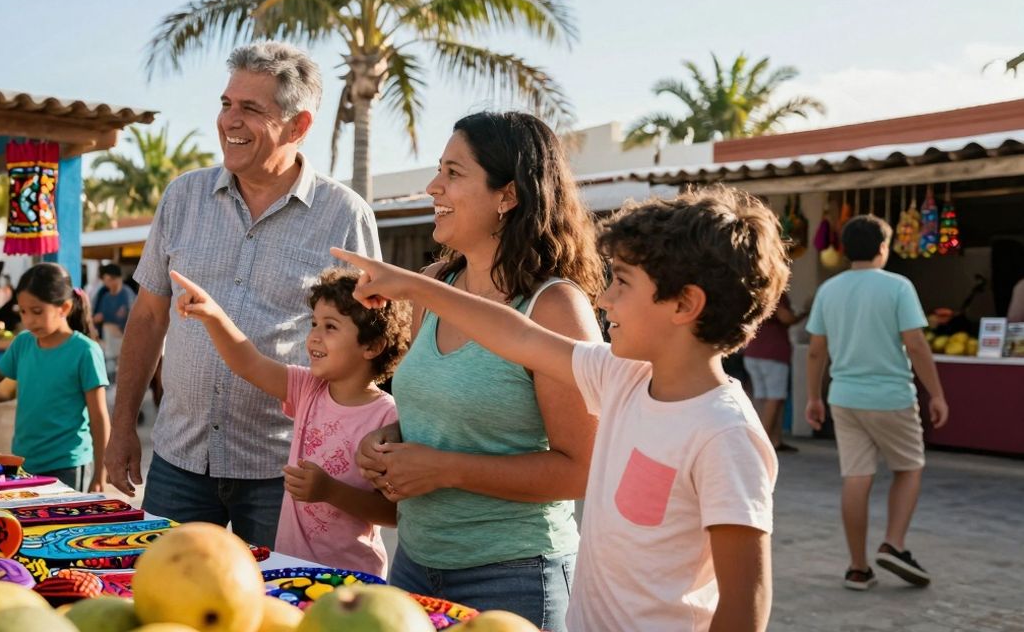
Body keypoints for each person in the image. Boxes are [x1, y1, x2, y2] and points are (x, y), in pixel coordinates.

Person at [336, 184, 787, 632]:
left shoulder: (725, 434)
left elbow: (746, 600)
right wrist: (416, 286)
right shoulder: (622, 377)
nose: (605, 299)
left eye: (623, 283)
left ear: (685, 304)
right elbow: (519, 335)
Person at [103, 41, 380, 548]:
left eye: (251, 109)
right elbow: (147, 318)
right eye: (227, 103)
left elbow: (370, 345)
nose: (230, 120)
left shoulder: (345, 215)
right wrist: (122, 428)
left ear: (298, 127)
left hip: (286, 470)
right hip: (178, 462)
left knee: (275, 616)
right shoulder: (182, 197)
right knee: (168, 610)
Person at [355, 111, 604, 631]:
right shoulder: (432, 285)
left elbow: (582, 470)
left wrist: (445, 468)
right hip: (414, 564)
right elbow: (435, 410)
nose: (433, 186)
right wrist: (388, 439)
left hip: (515, 578)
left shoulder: (554, 307)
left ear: (507, 195)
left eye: (453, 172)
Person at [170, 267, 408, 576]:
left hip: (351, 577)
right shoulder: (308, 387)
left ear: (372, 346)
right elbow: (249, 363)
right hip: (292, 568)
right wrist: (213, 315)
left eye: (330, 327)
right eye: (314, 324)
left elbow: (392, 513)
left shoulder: (387, 417)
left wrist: (330, 491)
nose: (314, 337)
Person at [804, 215, 949, 591]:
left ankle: (857, 567)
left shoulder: (828, 290)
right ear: (884, 248)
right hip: (891, 396)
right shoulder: (898, 286)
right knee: (909, 467)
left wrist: (812, 397)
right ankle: (894, 544)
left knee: (856, 477)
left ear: (846, 249)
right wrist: (937, 393)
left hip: (844, 397)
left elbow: (816, 352)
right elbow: (915, 344)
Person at [0, 263, 110, 492]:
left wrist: (100, 473)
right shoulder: (23, 343)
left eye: (37, 312)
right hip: (24, 462)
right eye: (23, 311)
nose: (29, 320)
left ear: (63, 308)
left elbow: (99, 417)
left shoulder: (85, 351)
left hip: (68, 465)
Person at [744, 292, 806, 452]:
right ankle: (762, 443)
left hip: (753, 350)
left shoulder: (754, 292)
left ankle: (775, 440)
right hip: (772, 352)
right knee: (775, 397)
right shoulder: (775, 292)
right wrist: (804, 313)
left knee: (763, 398)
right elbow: (786, 318)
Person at [92, 264, 138, 374]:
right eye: (106, 280)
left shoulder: (128, 295)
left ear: (117, 278)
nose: (107, 283)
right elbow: (100, 315)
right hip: (108, 340)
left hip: (124, 339)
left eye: (109, 280)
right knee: (110, 368)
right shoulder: (106, 296)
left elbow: (133, 319)